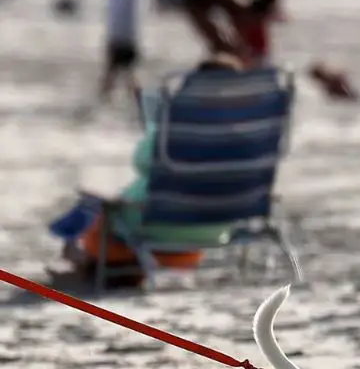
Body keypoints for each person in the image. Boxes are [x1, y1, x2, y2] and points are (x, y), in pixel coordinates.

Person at [53, 53, 246, 288]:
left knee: (100, 215)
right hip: (213, 229)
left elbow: (142, 161)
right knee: (122, 219)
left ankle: (90, 266)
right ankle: (97, 268)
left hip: (156, 226)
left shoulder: (178, 126)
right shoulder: (252, 134)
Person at [99, 0, 141, 106]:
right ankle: (106, 96)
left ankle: (105, 97)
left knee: (119, 72)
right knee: (121, 72)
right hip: (119, 35)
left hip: (123, 37)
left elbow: (125, 14)